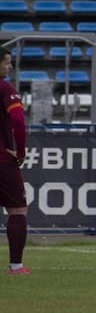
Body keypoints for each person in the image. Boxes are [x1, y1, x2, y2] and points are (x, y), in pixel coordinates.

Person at [0, 47, 27, 275]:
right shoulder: (5, 88)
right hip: (2, 159)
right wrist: (20, 152)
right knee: (17, 210)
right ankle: (16, 265)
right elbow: (18, 121)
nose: (9, 67)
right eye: (7, 63)